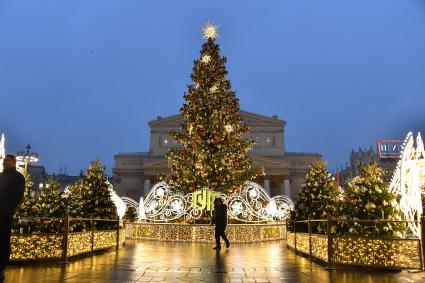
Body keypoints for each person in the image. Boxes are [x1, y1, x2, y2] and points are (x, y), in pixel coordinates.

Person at [0, 155, 25, 281]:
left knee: (3, 242)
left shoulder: (18, 177)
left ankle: (1, 268)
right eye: (4, 160)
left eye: (7, 161)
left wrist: (6, 211)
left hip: (4, 216)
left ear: (14, 163)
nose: (4, 162)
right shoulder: (1, 175)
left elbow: (17, 197)